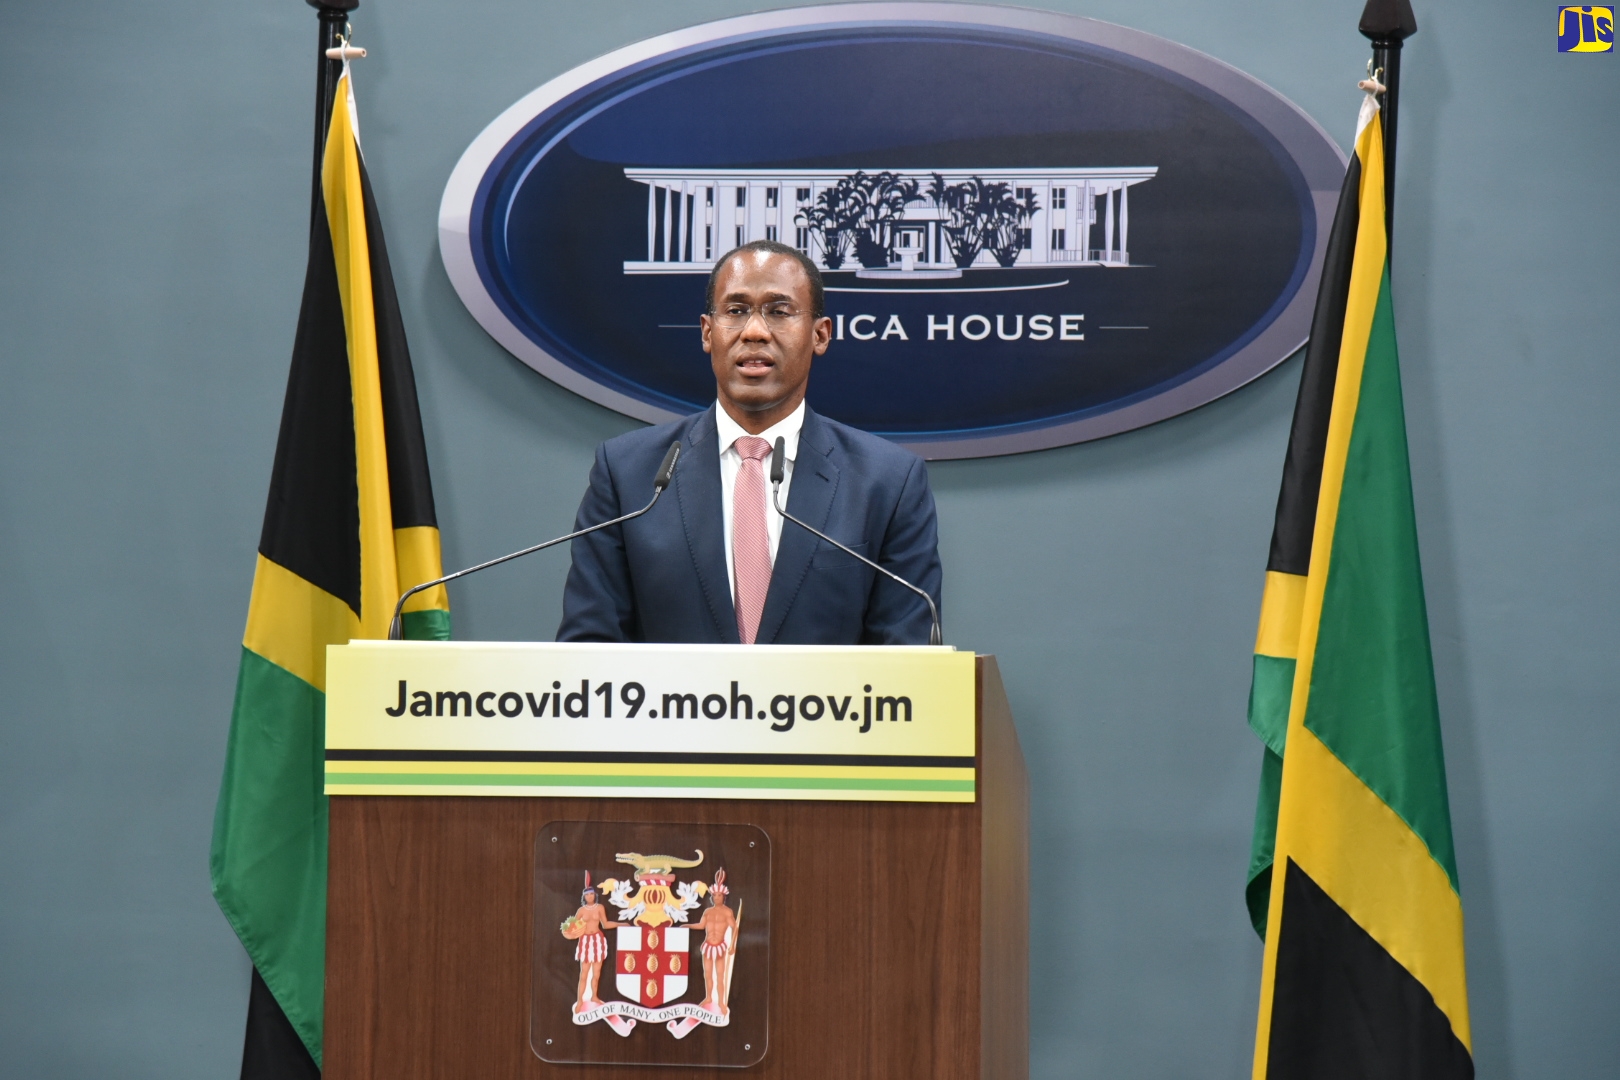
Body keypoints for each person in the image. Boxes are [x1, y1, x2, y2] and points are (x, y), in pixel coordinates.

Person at [557, 240, 942, 645]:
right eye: (736, 311)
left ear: (820, 335)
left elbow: (909, 661)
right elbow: (588, 652)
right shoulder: (629, 474)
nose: (754, 332)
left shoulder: (888, 482)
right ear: (708, 333)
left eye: (779, 312)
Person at [563, 878, 620, 1014]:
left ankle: (594, 995)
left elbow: (605, 924)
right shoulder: (581, 910)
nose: (590, 896)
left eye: (592, 894)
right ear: (584, 896)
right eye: (587, 894)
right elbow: (572, 925)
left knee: (597, 972)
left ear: (595, 895)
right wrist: (568, 932)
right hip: (585, 941)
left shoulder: (600, 908)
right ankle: (580, 1000)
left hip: (598, 940)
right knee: (584, 973)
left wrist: (621, 924)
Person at [688, 870, 739, 1015]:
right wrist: (688, 926)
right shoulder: (708, 912)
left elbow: (735, 928)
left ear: (724, 897)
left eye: (719, 895)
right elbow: (701, 926)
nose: (716, 898)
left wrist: (732, 946)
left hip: (721, 946)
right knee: (708, 974)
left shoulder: (728, 912)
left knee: (720, 974)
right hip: (708, 945)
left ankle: (722, 1003)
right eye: (714, 895)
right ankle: (709, 997)